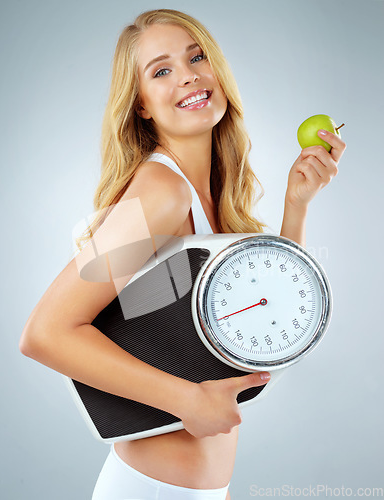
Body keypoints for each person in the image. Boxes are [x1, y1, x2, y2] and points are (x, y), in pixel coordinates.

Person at [19, 8, 346, 500]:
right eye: (161, 70)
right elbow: (46, 333)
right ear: (142, 105)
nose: (189, 74)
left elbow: (265, 331)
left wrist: (294, 208)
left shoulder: (209, 198)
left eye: (196, 57)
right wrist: (186, 399)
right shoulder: (162, 192)